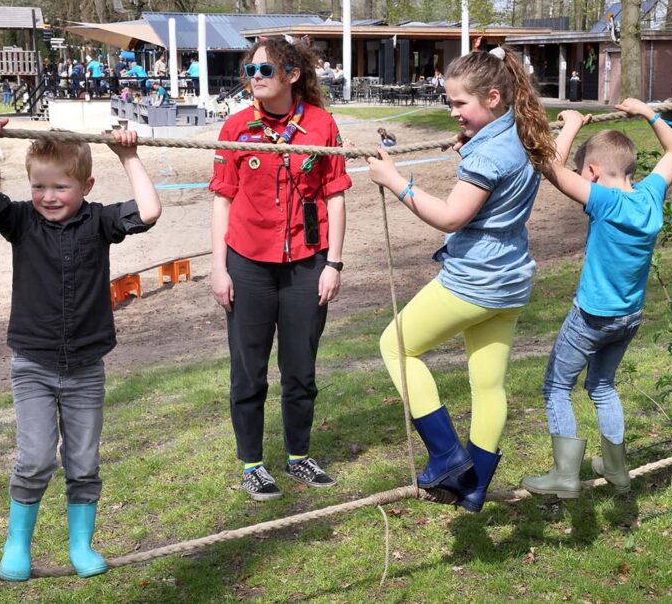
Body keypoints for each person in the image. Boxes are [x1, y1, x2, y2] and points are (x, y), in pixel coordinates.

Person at [0, 116, 161, 581]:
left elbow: (148, 212)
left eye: (61, 187)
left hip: (86, 367)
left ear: (86, 185)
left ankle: (80, 545)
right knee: (35, 458)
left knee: (84, 461)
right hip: (32, 364)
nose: (48, 196)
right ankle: (17, 542)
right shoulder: (21, 220)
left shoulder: (100, 220)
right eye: (39, 186)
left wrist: (128, 156)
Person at [366, 47, 555, 513]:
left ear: (492, 97)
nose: (452, 113)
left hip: (474, 282)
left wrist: (395, 181)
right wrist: (468, 139)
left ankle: (448, 455)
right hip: (511, 282)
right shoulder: (524, 131)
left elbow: (451, 217)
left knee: (396, 345)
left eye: (459, 104)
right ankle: (474, 488)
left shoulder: (489, 154)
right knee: (488, 385)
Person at [210, 36, 351, 501]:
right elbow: (222, 201)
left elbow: (335, 196)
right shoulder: (235, 126)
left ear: (292, 75)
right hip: (247, 263)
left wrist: (333, 263)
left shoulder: (321, 124)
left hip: (307, 263)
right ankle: (252, 463)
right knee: (248, 369)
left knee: (300, 367)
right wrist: (219, 268)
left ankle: (299, 456)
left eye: (264, 71)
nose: (255, 79)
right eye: (249, 72)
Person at [520, 102, 672, 498]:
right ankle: (616, 467)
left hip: (591, 318)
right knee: (601, 385)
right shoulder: (650, 196)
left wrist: (572, 124)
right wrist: (649, 113)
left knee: (556, 387)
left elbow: (549, 167)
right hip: (629, 317)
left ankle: (564, 474)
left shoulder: (604, 202)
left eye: (585, 174)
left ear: (592, 173)